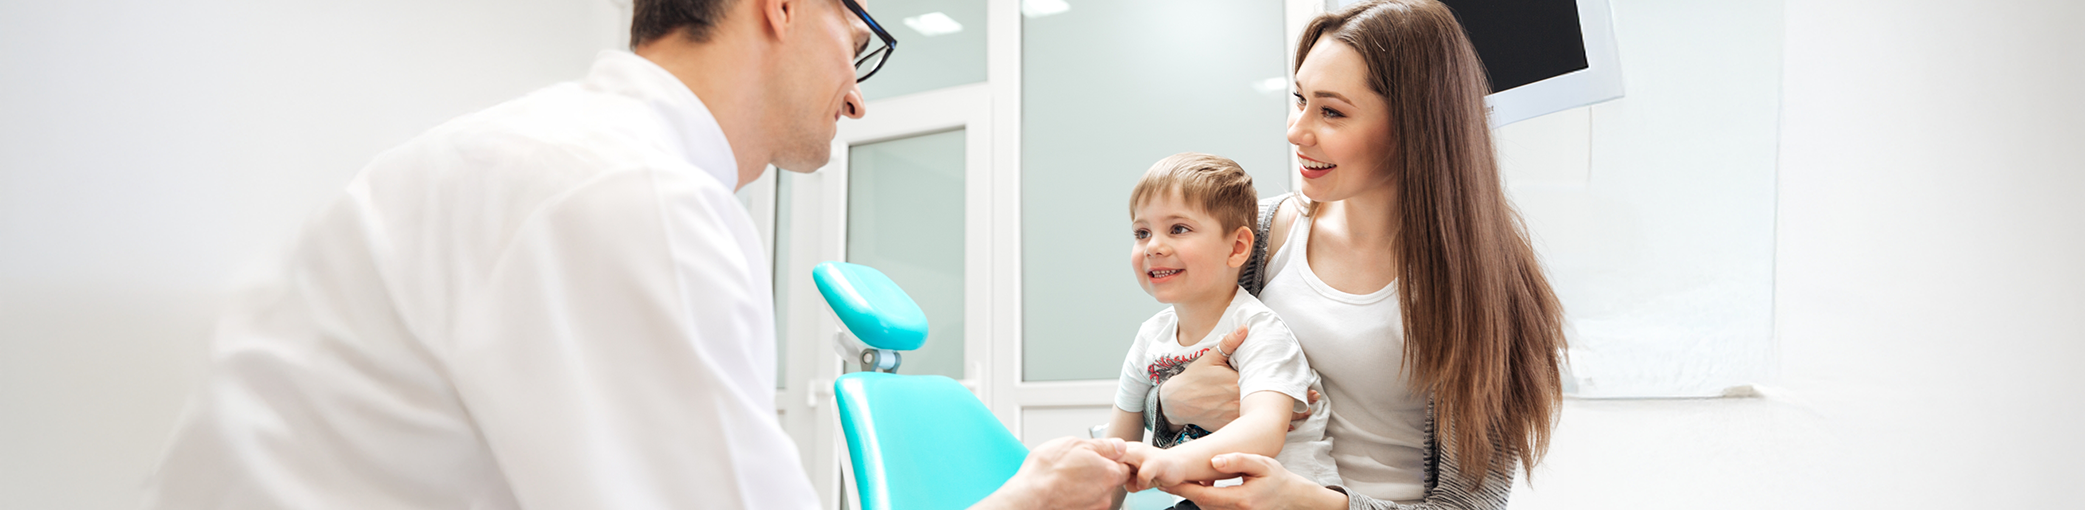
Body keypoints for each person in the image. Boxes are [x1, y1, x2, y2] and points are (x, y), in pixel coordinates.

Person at [143, 0, 1131, 509]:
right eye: (858, 37)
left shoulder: (545, 156)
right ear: (781, 6)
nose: (860, 93)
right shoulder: (632, 197)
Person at [1140, 1, 1570, 509]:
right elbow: (1161, 373)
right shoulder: (1255, 233)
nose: (1296, 131)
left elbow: (1468, 504)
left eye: (1332, 111)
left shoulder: (1487, 286)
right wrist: (1167, 404)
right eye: (1299, 100)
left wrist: (1317, 503)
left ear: (1416, 126)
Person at [1104, 154, 1338, 506]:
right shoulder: (1149, 338)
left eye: (1178, 229)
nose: (1153, 246)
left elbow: (1264, 431)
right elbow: (1120, 440)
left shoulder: (1257, 330)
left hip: (1285, 500)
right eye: (1142, 232)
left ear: (1238, 247)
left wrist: (1169, 460)